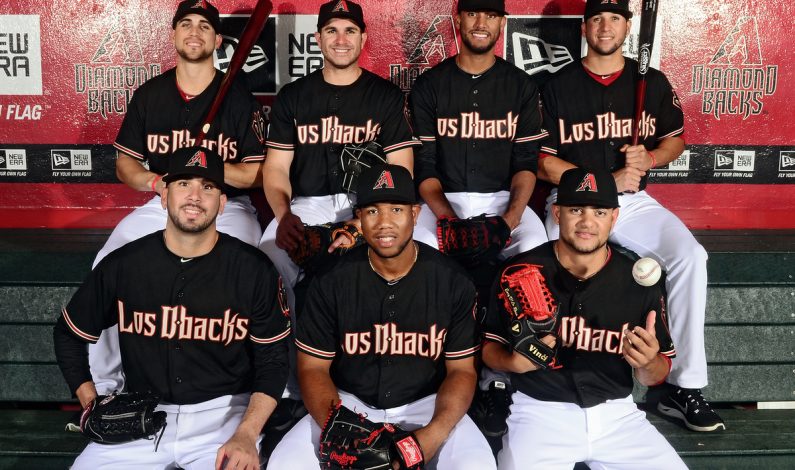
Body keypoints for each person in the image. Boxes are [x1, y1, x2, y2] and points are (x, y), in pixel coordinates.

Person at [537, 0, 724, 431]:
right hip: (571, 205)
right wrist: (606, 179)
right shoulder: (556, 86)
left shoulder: (652, 83)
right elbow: (543, 163)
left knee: (691, 257)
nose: (605, 27)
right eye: (597, 19)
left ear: (627, 24)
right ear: (584, 27)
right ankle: (536, 371)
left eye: (614, 18)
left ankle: (683, 387)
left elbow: (674, 142)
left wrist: (650, 157)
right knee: (538, 265)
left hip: (633, 204)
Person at [53, 146, 291, 469]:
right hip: (142, 418)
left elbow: (274, 361)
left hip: (223, 419)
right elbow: (68, 333)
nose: (195, 196)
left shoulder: (253, 270)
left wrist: (247, 434)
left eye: (207, 187)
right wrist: (90, 402)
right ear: (164, 197)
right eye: (183, 184)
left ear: (222, 204)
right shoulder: (124, 265)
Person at [89, 0, 268, 396]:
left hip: (226, 205)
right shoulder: (151, 95)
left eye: (204, 26)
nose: (194, 31)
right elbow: (125, 166)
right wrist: (159, 183)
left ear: (218, 40)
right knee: (108, 261)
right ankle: (105, 388)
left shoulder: (237, 95)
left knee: (253, 263)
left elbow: (258, 171)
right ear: (172, 35)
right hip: (163, 202)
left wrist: (206, 174)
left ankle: (260, 381)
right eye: (186, 23)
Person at [266, 164, 496, 469]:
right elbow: (312, 369)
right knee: (284, 464)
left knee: (478, 466)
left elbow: (462, 372)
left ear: (415, 214)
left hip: (427, 405)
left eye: (396, 210)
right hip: (347, 403)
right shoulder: (331, 280)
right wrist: (341, 431)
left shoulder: (452, 281)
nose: (384, 223)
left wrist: (433, 434)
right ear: (359, 218)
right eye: (372, 211)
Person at [259, 0, 417, 403]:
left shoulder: (384, 95)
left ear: (364, 38)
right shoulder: (294, 96)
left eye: (350, 31)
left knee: (420, 253)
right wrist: (284, 216)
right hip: (307, 202)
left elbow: (402, 171)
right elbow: (275, 170)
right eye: (332, 31)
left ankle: (408, 378)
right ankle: (287, 387)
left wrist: (359, 223)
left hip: (369, 204)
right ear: (318, 39)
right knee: (269, 261)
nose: (341, 39)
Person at [482, 167, 687, 469]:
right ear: (557, 212)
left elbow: (656, 374)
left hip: (619, 418)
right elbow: (489, 347)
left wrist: (647, 363)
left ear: (614, 218)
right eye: (576, 209)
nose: (587, 222)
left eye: (600, 212)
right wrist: (512, 363)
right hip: (540, 413)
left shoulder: (638, 281)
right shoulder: (519, 271)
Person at [408, 0, 548, 437]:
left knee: (535, 251)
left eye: (490, 14)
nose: (481, 22)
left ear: (501, 23)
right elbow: (425, 169)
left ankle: (508, 375)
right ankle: (427, 371)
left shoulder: (520, 86)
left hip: (505, 199)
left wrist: (508, 219)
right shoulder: (430, 86)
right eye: (473, 13)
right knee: (420, 252)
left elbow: (526, 164)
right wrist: (448, 220)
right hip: (442, 200)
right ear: (459, 20)